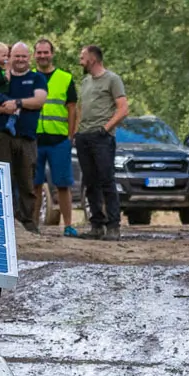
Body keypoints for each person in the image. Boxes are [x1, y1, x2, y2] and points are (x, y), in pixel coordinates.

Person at [0, 42, 46, 230]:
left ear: (29, 58)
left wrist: (17, 103)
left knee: (27, 180)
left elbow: (39, 100)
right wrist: (6, 107)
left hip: (27, 137)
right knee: (4, 180)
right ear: (9, 57)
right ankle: (6, 222)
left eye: (23, 56)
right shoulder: (2, 77)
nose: (19, 60)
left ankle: (28, 222)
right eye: (16, 56)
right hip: (3, 135)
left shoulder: (36, 78)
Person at [74, 43, 129, 238]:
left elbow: (123, 108)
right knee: (90, 182)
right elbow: (82, 109)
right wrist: (76, 133)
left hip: (102, 138)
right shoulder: (85, 82)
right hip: (84, 137)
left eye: (83, 57)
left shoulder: (112, 79)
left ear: (93, 59)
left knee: (106, 180)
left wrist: (105, 130)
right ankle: (96, 225)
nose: (81, 60)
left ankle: (113, 226)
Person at [33, 39, 79, 232]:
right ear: (34, 55)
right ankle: (32, 225)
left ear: (52, 54)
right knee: (34, 185)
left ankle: (68, 225)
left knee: (62, 184)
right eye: (39, 52)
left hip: (59, 140)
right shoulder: (29, 77)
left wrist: (71, 136)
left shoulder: (65, 78)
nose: (43, 56)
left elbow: (73, 109)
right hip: (34, 140)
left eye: (46, 52)